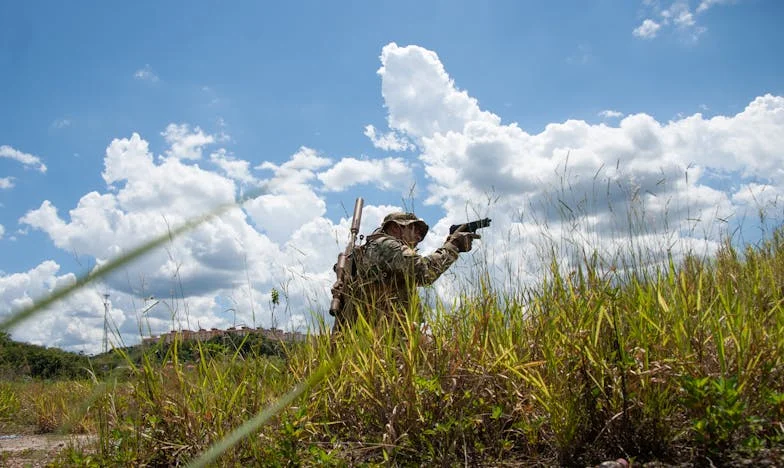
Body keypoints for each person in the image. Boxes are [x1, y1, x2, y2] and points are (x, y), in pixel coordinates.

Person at [331, 212, 480, 332]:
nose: (419, 237)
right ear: (396, 228)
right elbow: (425, 272)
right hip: (386, 335)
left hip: (368, 332)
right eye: (415, 229)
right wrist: (453, 246)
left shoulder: (368, 250)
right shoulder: (387, 245)